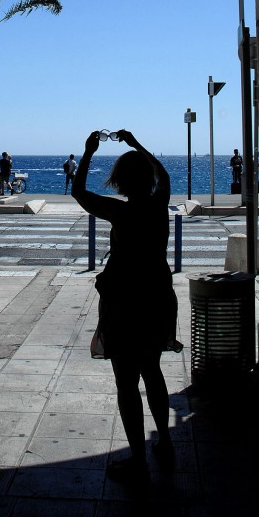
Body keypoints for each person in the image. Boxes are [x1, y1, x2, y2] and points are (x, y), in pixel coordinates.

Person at [72, 128, 179, 488]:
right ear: (147, 179)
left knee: (126, 382)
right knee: (153, 370)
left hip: (123, 302)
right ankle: (164, 441)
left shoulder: (118, 211)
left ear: (119, 181)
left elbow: (79, 193)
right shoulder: (159, 204)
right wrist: (137, 145)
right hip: (157, 296)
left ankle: (137, 459)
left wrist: (88, 152)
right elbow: (164, 175)